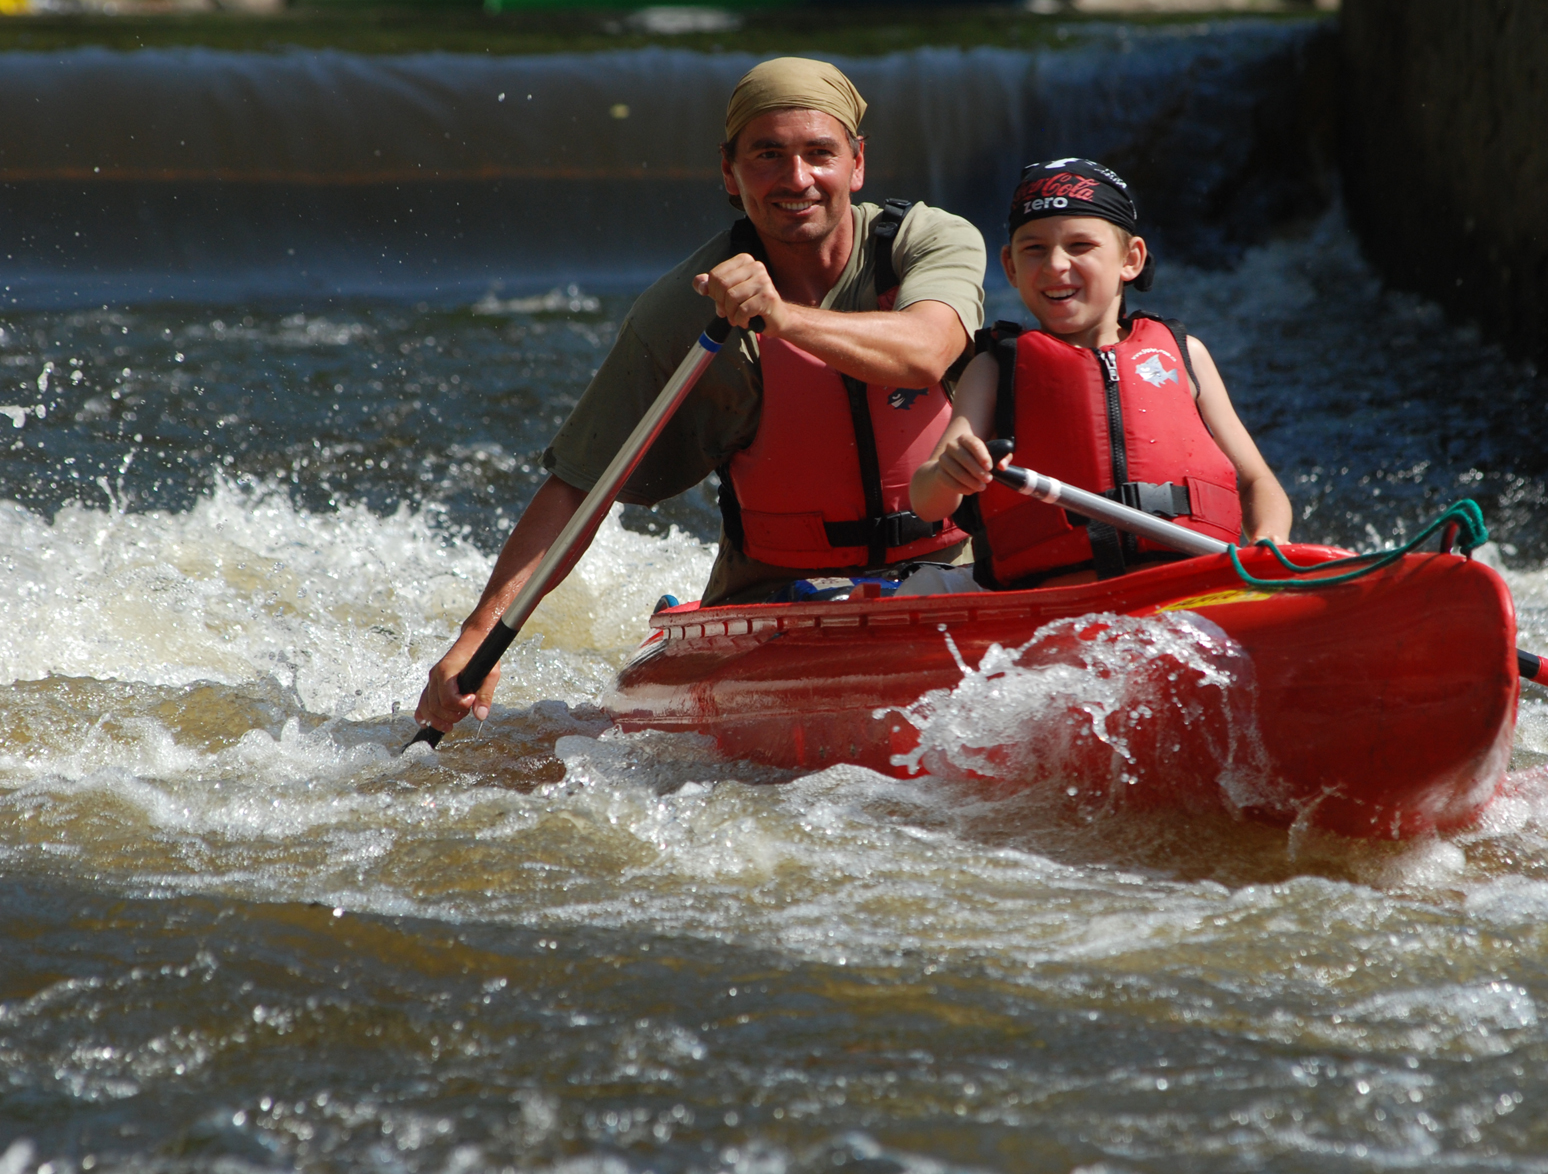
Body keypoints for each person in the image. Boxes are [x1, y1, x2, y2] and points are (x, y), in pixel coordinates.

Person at [415, 57, 987, 734]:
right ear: (728, 171)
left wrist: (781, 317)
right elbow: (580, 485)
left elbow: (925, 353)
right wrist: (480, 632)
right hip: (776, 598)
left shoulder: (929, 243)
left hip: (952, 569)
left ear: (857, 164)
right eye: (768, 155)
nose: (796, 179)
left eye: (819, 154)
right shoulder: (685, 310)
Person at [910, 157, 1290, 589]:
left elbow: (1257, 481)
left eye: (1080, 246)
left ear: (1131, 259)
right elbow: (926, 499)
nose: (1055, 264)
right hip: (1052, 603)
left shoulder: (1187, 356)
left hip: (1185, 587)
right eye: (1033, 248)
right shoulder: (993, 368)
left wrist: (1269, 541)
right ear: (1010, 266)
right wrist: (949, 474)